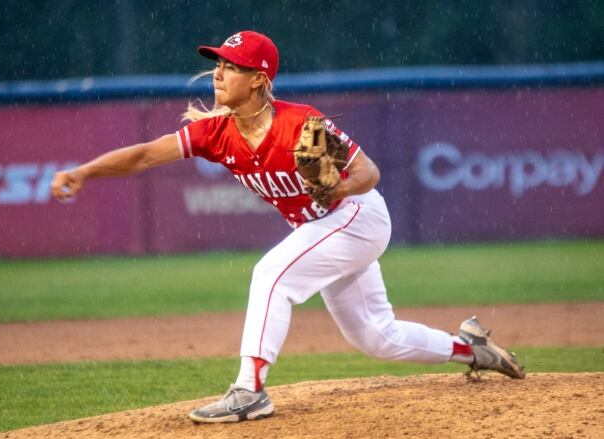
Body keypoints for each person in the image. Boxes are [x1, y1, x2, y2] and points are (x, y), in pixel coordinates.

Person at [50, 30, 525, 424]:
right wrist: (84, 171)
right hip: (325, 229)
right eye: (217, 64)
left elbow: (369, 174)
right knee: (375, 336)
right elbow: (144, 154)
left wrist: (337, 188)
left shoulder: (301, 123)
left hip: (357, 216)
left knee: (271, 273)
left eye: (231, 67)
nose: (218, 72)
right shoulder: (214, 133)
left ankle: (249, 389)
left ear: (258, 80)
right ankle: (472, 349)